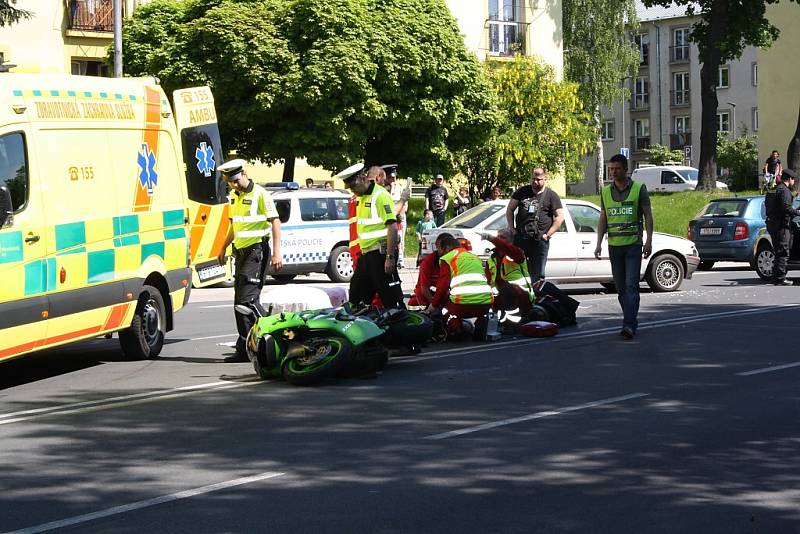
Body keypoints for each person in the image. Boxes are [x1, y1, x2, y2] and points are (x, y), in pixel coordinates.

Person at [217, 159, 283, 361]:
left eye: (236, 180)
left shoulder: (260, 194)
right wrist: (223, 246)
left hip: (257, 252)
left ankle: (275, 334)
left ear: (244, 173)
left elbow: (276, 221)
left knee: (247, 301)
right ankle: (246, 345)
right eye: (230, 182)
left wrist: (277, 253)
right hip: (241, 253)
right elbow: (234, 225)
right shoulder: (234, 197)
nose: (234, 185)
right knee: (240, 301)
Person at [594, 154, 653, 340]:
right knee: (620, 289)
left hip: (633, 246)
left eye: (616, 168)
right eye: (610, 169)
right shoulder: (605, 192)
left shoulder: (638, 189)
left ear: (626, 169)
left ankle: (628, 324)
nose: (613, 172)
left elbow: (648, 216)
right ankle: (631, 318)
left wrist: (648, 241)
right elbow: (603, 217)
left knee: (631, 286)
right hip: (614, 246)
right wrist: (598, 243)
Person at [343, 165, 404, 308]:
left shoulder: (380, 195)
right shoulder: (361, 197)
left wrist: (390, 257)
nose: (353, 191)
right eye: (350, 188)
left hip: (380, 254)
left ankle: (402, 325)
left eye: (354, 186)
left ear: (362, 178)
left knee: (390, 298)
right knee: (357, 299)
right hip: (366, 255)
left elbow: (392, 226)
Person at [425, 234, 493, 339]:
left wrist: (433, 306)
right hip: (486, 304)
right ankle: (481, 323)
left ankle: (455, 326)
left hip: (461, 306)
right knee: (478, 310)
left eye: (440, 250)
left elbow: (442, 287)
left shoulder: (448, 258)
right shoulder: (474, 257)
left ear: (446, 248)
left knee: (446, 307)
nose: (439, 253)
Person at [505, 167, 565, 282]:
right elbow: (510, 209)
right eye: (533, 179)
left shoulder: (551, 195)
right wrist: (512, 228)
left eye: (538, 179)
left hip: (539, 240)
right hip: (521, 238)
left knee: (538, 275)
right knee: (517, 271)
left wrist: (548, 235)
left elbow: (560, 217)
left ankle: (537, 296)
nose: (535, 182)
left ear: (545, 179)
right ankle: (522, 296)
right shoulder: (522, 191)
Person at [482, 229, 534, 320]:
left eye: (502, 237)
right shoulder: (492, 258)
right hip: (499, 294)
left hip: (520, 293)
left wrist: (491, 238)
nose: (498, 239)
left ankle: (513, 322)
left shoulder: (517, 252)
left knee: (506, 289)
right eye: (498, 237)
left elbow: (507, 248)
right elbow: (488, 279)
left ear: (510, 241)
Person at [765, 168, 800, 285]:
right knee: (783, 252)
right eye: (793, 179)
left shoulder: (778, 189)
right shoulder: (784, 191)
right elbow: (786, 208)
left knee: (779, 251)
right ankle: (780, 278)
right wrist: (798, 212)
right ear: (789, 179)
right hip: (782, 226)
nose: (794, 181)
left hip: (776, 224)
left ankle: (775, 277)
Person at [408, 233, 451, 308]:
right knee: (413, 303)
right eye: (443, 248)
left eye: (448, 248)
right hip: (427, 294)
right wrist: (434, 304)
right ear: (437, 246)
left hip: (443, 294)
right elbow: (424, 288)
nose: (446, 251)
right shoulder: (427, 262)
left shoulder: (453, 261)